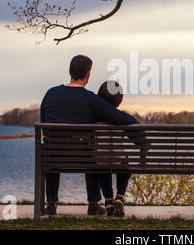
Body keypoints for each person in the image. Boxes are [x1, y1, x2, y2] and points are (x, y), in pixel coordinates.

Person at [40, 55, 139, 216]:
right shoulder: (91, 99)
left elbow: (44, 123)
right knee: (91, 153)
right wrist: (140, 128)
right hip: (84, 159)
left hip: (53, 156)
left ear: (70, 71)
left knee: (52, 148)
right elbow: (119, 117)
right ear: (88, 74)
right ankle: (93, 204)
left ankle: (51, 204)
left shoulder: (50, 94)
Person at [96, 80, 137, 217]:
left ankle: (108, 200)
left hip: (100, 161)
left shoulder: (96, 118)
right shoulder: (122, 118)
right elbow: (136, 137)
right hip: (118, 160)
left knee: (101, 166)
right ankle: (119, 196)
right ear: (119, 99)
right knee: (125, 163)